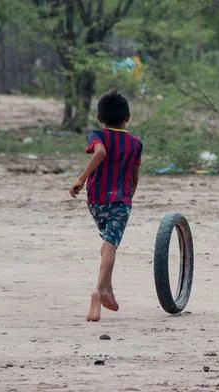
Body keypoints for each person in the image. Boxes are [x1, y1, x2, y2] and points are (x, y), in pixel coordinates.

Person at [70, 90, 143, 322]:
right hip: (120, 201)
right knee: (111, 245)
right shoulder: (135, 144)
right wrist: (129, 197)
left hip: (96, 201)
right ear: (128, 117)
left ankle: (108, 289)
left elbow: (99, 150)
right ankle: (98, 290)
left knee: (107, 244)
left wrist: (83, 181)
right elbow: (134, 176)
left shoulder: (97, 135)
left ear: (99, 117)